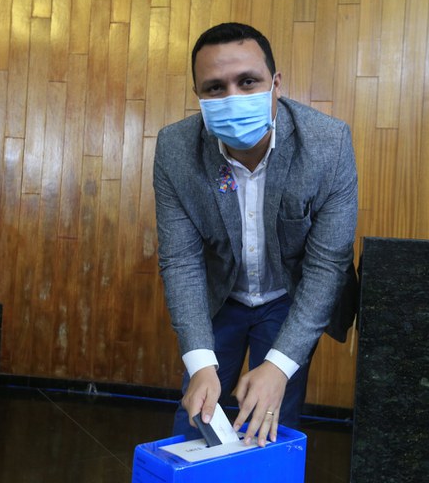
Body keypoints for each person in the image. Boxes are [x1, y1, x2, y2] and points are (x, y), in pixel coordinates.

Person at [153, 22, 358, 447]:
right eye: (215, 87)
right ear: (198, 96)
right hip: (221, 295)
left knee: (271, 420)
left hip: (289, 296)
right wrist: (200, 363)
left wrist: (279, 367)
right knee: (196, 416)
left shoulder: (328, 143)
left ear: (275, 84)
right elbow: (181, 261)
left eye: (248, 81)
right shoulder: (175, 149)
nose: (232, 97)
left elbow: (328, 265)